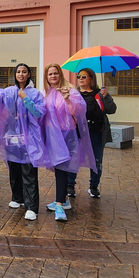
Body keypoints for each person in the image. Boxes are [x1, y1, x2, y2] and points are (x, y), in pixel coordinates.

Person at [0, 64, 47, 221]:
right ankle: (17, 197)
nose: (21, 74)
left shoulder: (35, 93)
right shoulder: (8, 91)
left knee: (28, 169)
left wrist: (26, 99)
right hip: (12, 136)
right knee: (14, 167)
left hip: (29, 137)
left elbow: (39, 112)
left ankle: (31, 207)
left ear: (29, 75)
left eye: (24, 72)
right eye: (18, 72)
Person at [42, 64, 97, 220]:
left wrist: (67, 100)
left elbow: (79, 112)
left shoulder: (70, 91)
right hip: (52, 136)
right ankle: (63, 200)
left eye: (55, 73)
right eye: (50, 74)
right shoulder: (47, 93)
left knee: (61, 167)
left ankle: (59, 204)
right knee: (60, 168)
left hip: (66, 136)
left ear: (60, 75)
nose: (53, 76)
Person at [70, 68, 117, 198]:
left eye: (84, 77)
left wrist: (106, 96)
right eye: (78, 76)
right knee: (73, 159)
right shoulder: (74, 94)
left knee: (96, 160)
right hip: (78, 133)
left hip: (97, 132)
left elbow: (111, 110)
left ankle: (94, 186)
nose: (80, 79)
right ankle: (70, 185)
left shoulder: (99, 94)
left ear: (91, 79)